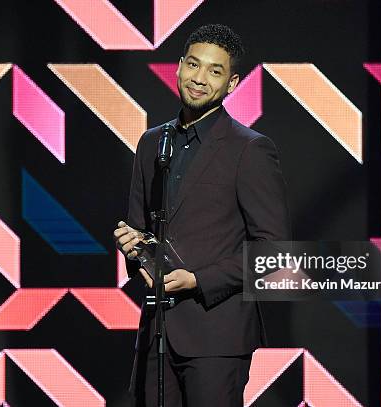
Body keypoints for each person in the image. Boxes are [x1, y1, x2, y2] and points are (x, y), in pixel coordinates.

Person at [113, 24, 290, 407]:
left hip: (217, 336)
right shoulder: (151, 143)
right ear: (178, 67)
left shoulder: (251, 150)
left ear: (231, 83)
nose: (199, 79)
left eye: (215, 70)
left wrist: (198, 280)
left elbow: (273, 252)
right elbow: (141, 232)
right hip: (157, 333)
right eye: (193, 65)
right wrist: (133, 249)